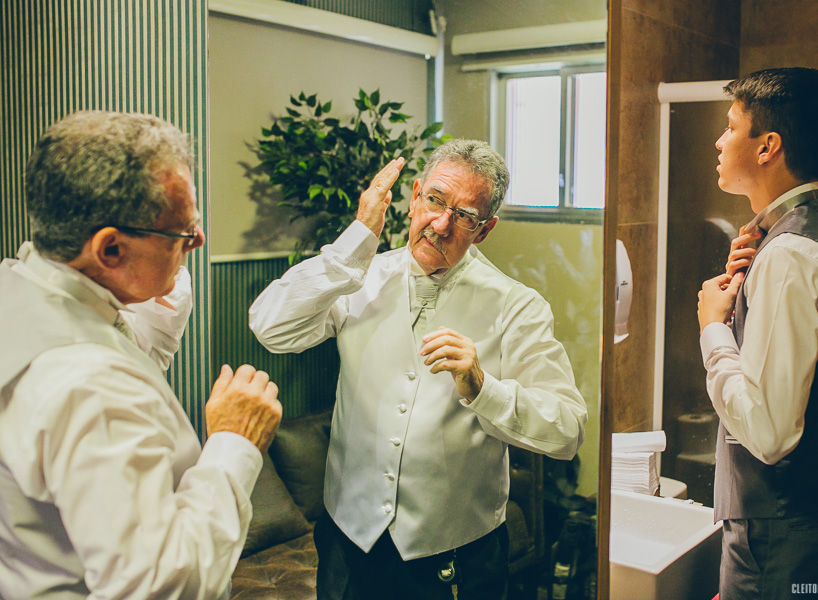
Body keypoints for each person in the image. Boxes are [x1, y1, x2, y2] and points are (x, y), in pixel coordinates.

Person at [249, 139, 587, 600]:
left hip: (457, 557)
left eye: (464, 216)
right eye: (435, 200)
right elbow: (271, 327)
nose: (441, 224)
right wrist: (355, 240)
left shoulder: (516, 307)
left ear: (484, 230)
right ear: (414, 196)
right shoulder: (358, 277)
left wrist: (483, 388)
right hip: (348, 544)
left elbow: (567, 430)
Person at [0, 110, 283, 599]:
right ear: (110, 250)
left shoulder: (8, 292)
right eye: (181, 233)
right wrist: (235, 443)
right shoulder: (90, 382)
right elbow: (163, 584)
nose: (198, 241)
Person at [697, 68, 818, 598]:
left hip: (784, 534)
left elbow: (769, 431)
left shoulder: (792, 253)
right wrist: (748, 287)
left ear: (767, 147)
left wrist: (713, 328)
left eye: (731, 126)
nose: (719, 141)